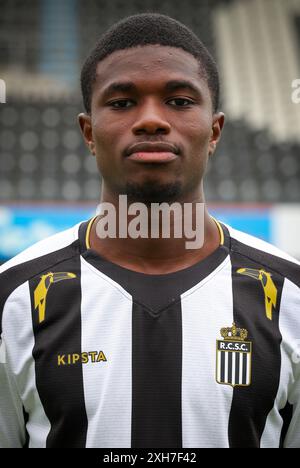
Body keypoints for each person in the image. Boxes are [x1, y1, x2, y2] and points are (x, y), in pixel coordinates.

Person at [0, 13, 299, 449]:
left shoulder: (291, 297)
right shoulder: (14, 300)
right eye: (122, 103)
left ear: (214, 131)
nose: (152, 121)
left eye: (179, 101)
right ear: (88, 132)